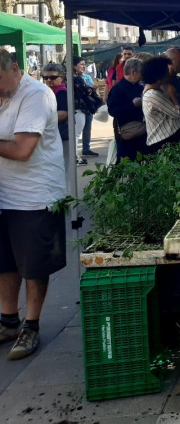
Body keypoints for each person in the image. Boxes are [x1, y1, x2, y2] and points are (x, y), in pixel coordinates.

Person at [0, 49, 68, 360]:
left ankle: (32, 325)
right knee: (6, 264)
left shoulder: (36, 95)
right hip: (5, 196)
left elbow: (22, 149)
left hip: (36, 196)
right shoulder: (3, 95)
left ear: (15, 67)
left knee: (34, 266)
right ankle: (9, 321)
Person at [141, 56, 180, 155]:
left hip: (166, 138)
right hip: (166, 140)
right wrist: (172, 95)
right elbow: (178, 113)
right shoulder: (153, 95)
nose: (168, 74)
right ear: (158, 78)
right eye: (166, 72)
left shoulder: (155, 89)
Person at [106, 57, 148, 162]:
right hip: (127, 134)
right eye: (141, 73)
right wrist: (132, 104)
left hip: (143, 131)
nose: (143, 76)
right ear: (133, 72)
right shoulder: (118, 89)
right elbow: (113, 111)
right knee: (127, 163)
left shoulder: (140, 86)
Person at [70, 55, 102, 166]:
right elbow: (84, 92)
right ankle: (74, 158)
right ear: (74, 66)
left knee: (74, 134)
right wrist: (90, 89)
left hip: (75, 109)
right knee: (75, 134)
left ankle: (75, 156)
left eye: (84, 65)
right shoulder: (75, 78)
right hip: (78, 109)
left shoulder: (69, 77)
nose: (84, 67)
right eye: (81, 65)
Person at [41, 63, 70, 168]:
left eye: (53, 77)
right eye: (45, 77)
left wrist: (41, 120)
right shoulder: (47, 92)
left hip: (62, 134)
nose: (49, 80)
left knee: (63, 164)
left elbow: (63, 113)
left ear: (61, 78)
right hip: (52, 134)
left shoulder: (62, 92)